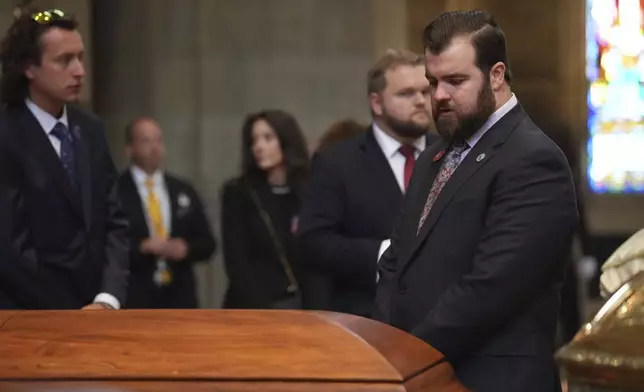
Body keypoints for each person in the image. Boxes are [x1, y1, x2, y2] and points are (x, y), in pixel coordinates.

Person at [373, 10, 578, 392]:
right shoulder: (434, 155)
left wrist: (412, 353)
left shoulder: (533, 159)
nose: (438, 96)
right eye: (433, 82)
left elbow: (492, 286)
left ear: (496, 74)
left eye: (455, 81)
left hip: (490, 379)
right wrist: (387, 348)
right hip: (416, 374)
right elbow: (395, 262)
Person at [0, 9, 129, 309]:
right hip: (31, 316)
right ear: (29, 68)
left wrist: (107, 299)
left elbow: (115, 222)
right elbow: (10, 247)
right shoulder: (7, 134)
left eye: (80, 57)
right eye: (64, 60)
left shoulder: (91, 128)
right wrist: (69, 313)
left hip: (98, 310)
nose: (79, 71)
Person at [298, 49, 439, 317]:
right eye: (406, 93)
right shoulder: (337, 163)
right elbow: (313, 242)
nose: (421, 101)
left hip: (446, 320)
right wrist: (384, 253)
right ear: (377, 103)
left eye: (425, 90)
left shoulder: (453, 154)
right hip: (369, 321)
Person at [221, 110, 322, 309]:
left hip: (305, 308)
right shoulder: (238, 193)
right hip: (255, 309)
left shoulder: (310, 190)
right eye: (254, 140)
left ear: (286, 139)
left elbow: (318, 256)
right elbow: (237, 264)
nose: (259, 147)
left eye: (268, 138)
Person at [118, 117, 216, 309]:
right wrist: (142, 247)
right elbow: (101, 245)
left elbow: (208, 243)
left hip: (179, 298)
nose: (155, 148)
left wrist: (186, 248)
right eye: (146, 141)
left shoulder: (182, 189)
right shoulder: (115, 191)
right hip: (135, 298)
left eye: (158, 140)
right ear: (129, 148)